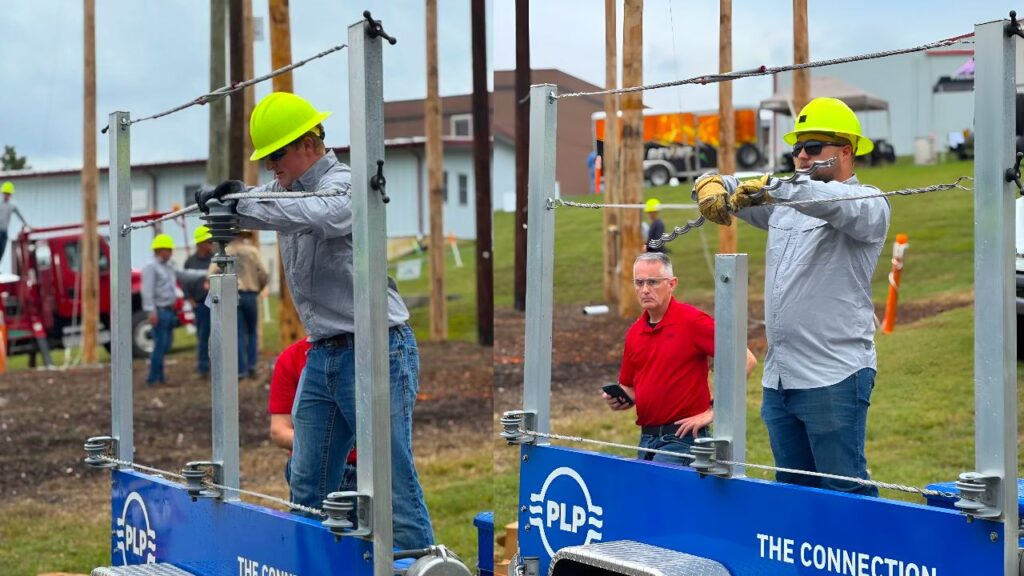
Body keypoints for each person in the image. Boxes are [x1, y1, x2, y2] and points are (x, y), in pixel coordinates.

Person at [196, 92, 433, 549]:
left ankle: (418, 562)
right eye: (265, 158)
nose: (271, 167)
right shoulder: (283, 192)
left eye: (277, 154)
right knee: (306, 482)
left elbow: (320, 213)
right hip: (322, 353)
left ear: (309, 142)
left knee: (388, 475)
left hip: (376, 348)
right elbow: (266, 201)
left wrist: (238, 203)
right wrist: (227, 197)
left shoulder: (348, 183)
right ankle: (316, 562)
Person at [693, 97, 891, 496]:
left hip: (834, 375)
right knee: (793, 494)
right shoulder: (785, 203)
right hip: (780, 378)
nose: (801, 155)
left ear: (846, 150)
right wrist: (714, 182)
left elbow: (832, 205)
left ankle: (863, 555)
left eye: (813, 147)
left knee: (845, 493)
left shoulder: (868, 203)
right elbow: (742, 188)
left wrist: (776, 188)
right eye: (796, 148)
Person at [606, 252, 756, 465]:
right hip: (647, 438)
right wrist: (620, 398)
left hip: (684, 438)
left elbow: (746, 359)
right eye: (639, 283)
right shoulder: (634, 332)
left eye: (653, 282)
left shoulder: (692, 322)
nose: (645, 289)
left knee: (658, 491)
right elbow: (630, 387)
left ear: (672, 283)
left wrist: (715, 410)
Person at [269, 338, 356, 493]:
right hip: (314, 464)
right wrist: (328, 445)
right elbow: (279, 430)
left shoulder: (374, 352)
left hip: (365, 467)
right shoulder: (291, 357)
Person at [210, 230, 268, 379]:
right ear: (243, 236)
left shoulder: (224, 252)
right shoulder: (252, 252)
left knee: (237, 332)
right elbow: (264, 273)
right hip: (250, 293)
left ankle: (240, 369)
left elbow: (211, 273)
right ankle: (252, 365)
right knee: (252, 331)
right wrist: (258, 287)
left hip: (231, 295)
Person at [184, 225, 215, 377]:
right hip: (201, 305)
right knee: (203, 336)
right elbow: (185, 282)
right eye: (208, 241)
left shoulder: (215, 258)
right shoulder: (190, 262)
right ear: (200, 244)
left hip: (216, 304)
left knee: (219, 335)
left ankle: (218, 366)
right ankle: (203, 367)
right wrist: (189, 299)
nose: (210, 244)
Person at [0, 182, 27, 262]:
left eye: (8, 194)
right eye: (5, 193)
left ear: (11, 195)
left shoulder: (12, 206)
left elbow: (20, 216)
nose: (6, 195)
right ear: (3, 193)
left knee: (2, 250)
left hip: (4, 232)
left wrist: (26, 225)